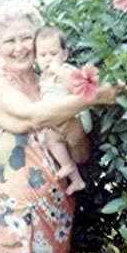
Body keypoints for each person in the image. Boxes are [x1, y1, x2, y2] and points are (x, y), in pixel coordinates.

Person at [0, 0, 123, 253]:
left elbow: (80, 154)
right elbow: (28, 118)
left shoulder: (52, 85)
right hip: (6, 211)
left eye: (27, 37)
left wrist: (72, 129)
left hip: (54, 208)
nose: (19, 47)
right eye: (9, 40)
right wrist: (94, 96)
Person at [34, 26, 91, 195]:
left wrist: (59, 71)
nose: (48, 59)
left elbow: (77, 90)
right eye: (43, 55)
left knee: (51, 136)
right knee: (51, 139)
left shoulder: (66, 70)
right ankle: (76, 179)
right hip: (59, 120)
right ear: (36, 58)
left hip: (76, 117)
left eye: (53, 54)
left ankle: (68, 167)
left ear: (64, 54)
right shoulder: (43, 78)